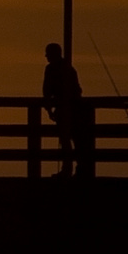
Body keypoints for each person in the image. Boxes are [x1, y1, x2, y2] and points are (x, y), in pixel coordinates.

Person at [42, 42, 87, 178]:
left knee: (69, 141)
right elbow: (77, 89)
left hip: (67, 110)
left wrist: (49, 109)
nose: (46, 56)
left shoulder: (52, 69)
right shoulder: (68, 68)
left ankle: (70, 169)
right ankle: (78, 169)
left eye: (48, 53)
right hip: (73, 109)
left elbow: (46, 91)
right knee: (74, 141)